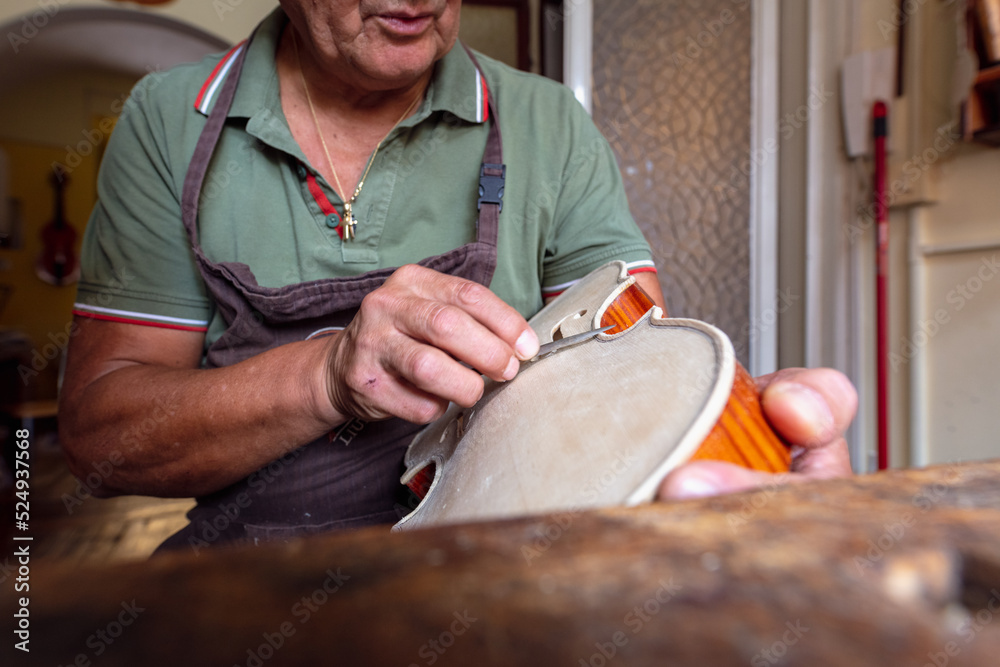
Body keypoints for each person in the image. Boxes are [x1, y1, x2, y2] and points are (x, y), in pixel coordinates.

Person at [59, 0, 855, 550]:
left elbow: (631, 375)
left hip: (499, 572)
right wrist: (328, 375)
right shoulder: (170, 119)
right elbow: (100, 440)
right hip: (252, 579)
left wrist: (745, 461)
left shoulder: (546, 123)